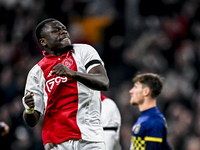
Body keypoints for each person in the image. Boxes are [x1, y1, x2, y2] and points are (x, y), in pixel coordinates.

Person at [22, 18, 109, 150]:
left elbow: (103, 82)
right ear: (43, 42)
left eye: (64, 29)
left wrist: (72, 74)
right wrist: (29, 109)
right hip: (56, 142)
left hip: (90, 137)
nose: (63, 32)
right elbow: (32, 121)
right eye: (56, 31)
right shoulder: (36, 72)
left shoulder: (84, 51)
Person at [129, 73, 171, 150]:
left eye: (135, 87)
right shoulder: (146, 118)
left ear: (146, 92)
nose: (131, 91)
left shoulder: (154, 121)